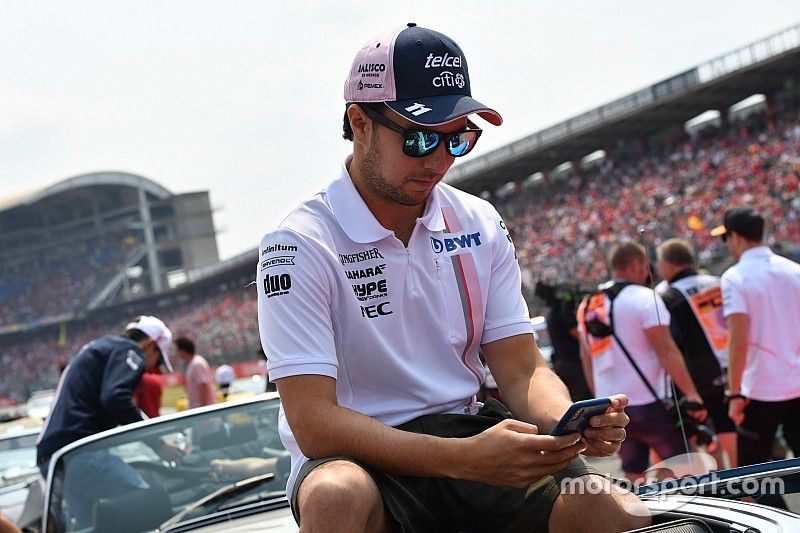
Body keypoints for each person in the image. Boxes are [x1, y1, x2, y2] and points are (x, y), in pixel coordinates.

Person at [257, 23, 648, 532]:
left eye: (459, 139)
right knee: (334, 496)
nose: (440, 160)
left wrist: (569, 422)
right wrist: (462, 458)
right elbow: (314, 423)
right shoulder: (298, 242)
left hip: (472, 433)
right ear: (359, 123)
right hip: (362, 453)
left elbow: (521, 370)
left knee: (615, 507)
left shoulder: (478, 220)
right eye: (420, 138)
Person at [577, 241, 708, 482]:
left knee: (633, 472)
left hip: (614, 406)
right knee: (684, 468)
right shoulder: (645, 297)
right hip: (651, 403)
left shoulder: (587, 305)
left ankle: (645, 516)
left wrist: (602, 399)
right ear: (638, 264)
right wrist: (692, 395)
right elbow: (667, 350)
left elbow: (587, 360)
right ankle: (681, 514)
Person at [35, 315, 179, 527]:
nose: (150, 371)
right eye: (157, 362)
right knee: (150, 503)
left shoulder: (104, 347)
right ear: (149, 346)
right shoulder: (129, 351)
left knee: (94, 526)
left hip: (54, 459)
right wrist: (157, 442)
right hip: (80, 453)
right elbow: (115, 398)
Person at [712, 206, 800, 467]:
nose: (726, 245)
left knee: (753, 479)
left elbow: (738, 340)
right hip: (797, 383)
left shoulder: (734, 277)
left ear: (736, 237)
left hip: (759, 390)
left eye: (725, 238)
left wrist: (735, 394)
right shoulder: (794, 270)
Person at [656, 238, 737, 467]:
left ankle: (725, 487)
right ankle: (746, 487)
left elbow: (669, 344)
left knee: (707, 439)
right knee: (731, 431)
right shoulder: (719, 281)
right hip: (733, 369)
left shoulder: (668, 297)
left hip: (698, 379)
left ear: (669, 264)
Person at [175, 336, 216, 409]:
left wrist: (203, 408)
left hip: (203, 411)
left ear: (183, 350)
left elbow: (203, 385)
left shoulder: (196, 364)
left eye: (177, 350)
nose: (177, 353)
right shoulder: (193, 363)